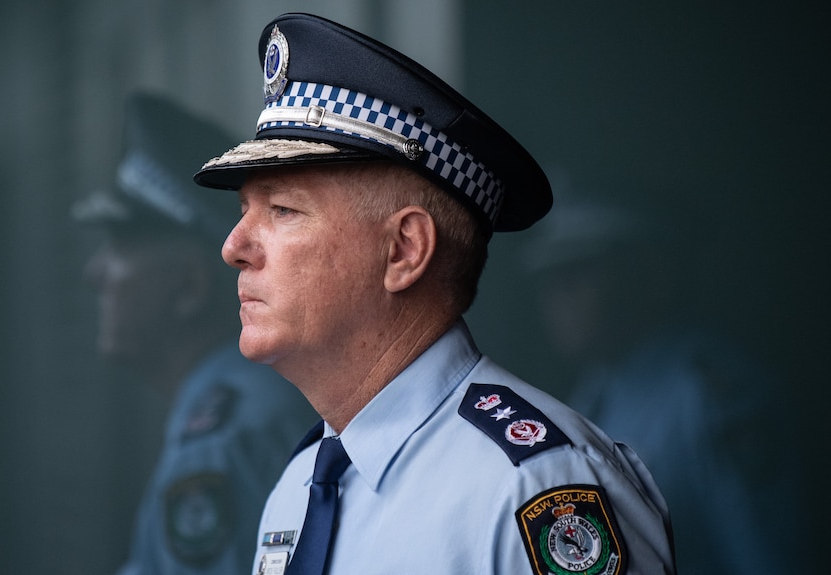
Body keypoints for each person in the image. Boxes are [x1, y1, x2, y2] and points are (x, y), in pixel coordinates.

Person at [193, 13, 676, 575]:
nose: (234, 247)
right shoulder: (299, 488)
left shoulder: (536, 490)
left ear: (403, 251)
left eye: (283, 210)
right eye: (243, 212)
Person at [73, 92, 316, 575]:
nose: (95, 272)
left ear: (189, 287)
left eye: (123, 244)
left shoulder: (223, 437)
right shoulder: (250, 404)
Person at [521, 195, 800, 574]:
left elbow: (767, 556)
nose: (558, 295)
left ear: (651, 274)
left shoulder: (713, 395)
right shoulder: (589, 398)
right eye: (550, 278)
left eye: (581, 271)